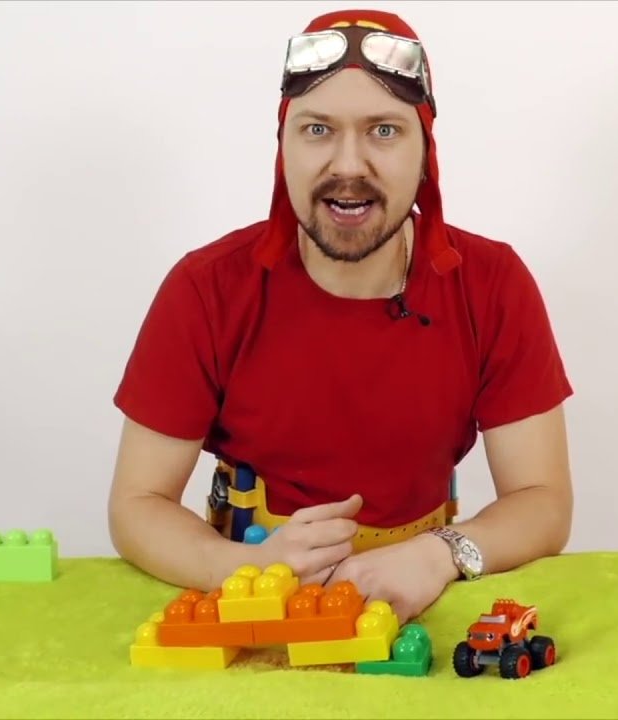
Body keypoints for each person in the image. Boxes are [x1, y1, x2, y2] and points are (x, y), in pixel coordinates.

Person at [108, 8, 574, 623]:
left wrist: (440, 555)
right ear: (283, 147)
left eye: (384, 130)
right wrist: (242, 569)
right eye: (317, 129)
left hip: (424, 609)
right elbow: (137, 504)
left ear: (425, 151)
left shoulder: (492, 285)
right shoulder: (206, 289)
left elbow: (542, 501)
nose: (349, 165)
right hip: (258, 604)